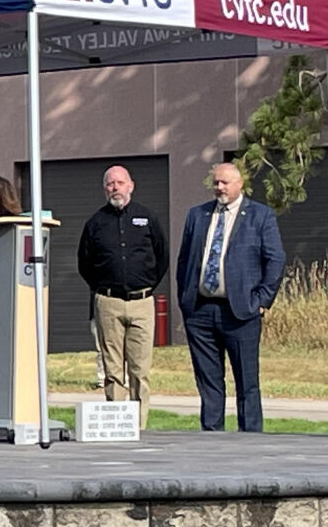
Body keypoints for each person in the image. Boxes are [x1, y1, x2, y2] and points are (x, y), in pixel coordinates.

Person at [175, 162, 287, 432]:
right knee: (209, 380)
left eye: (224, 182)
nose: (219, 188)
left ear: (240, 184)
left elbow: (276, 260)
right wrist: (186, 300)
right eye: (216, 182)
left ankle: (250, 437)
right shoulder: (197, 215)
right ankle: (212, 436)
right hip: (201, 311)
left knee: (246, 381)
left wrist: (261, 301)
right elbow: (184, 261)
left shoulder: (260, 216)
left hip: (241, 311)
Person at [76, 164, 168, 427]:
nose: (115, 188)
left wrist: (147, 284)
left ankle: (138, 424)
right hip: (108, 302)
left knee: (140, 369)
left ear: (131, 186)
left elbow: (161, 257)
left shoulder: (147, 218)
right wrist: (103, 289)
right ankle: (118, 422)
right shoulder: (95, 223)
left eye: (120, 182)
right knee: (113, 368)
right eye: (110, 184)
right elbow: (84, 263)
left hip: (142, 302)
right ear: (104, 189)